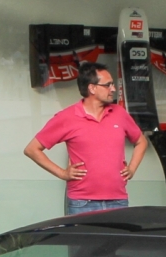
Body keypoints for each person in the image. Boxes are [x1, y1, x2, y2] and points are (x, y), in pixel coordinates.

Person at [24, 62, 149, 215]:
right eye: (108, 85)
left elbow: (141, 141)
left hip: (118, 201)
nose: (113, 89)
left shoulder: (120, 113)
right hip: (82, 203)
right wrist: (62, 173)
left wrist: (132, 169)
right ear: (92, 88)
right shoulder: (67, 117)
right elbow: (32, 149)